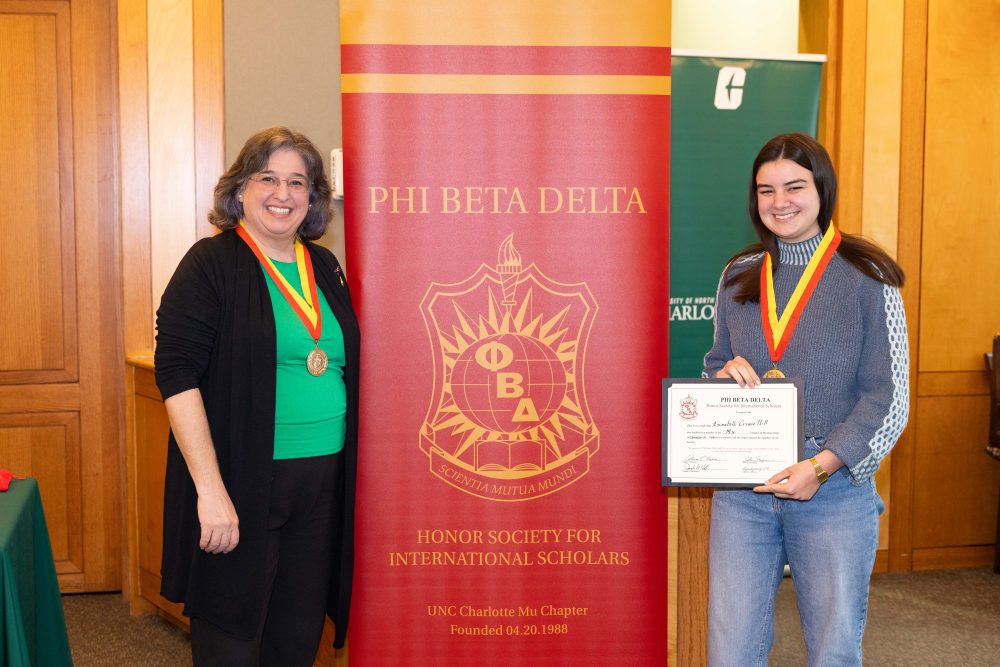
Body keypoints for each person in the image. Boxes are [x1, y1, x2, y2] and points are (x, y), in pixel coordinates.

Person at [154, 126, 359, 665]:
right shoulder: (210, 265)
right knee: (232, 639)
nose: (282, 194)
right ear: (240, 188)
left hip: (322, 484)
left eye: (297, 182)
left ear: (312, 197)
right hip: (243, 481)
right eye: (267, 178)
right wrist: (210, 490)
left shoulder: (325, 267)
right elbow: (176, 376)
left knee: (296, 636)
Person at [704, 132, 909, 666]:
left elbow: (889, 398)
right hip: (743, 488)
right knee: (730, 651)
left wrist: (819, 468)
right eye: (766, 190)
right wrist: (723, 376)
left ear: (822, 189)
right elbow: (714, 363)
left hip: (832, 485)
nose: (780, 202)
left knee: (832, 651)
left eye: (794, 187)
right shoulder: (739, 274)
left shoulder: (867, 276)